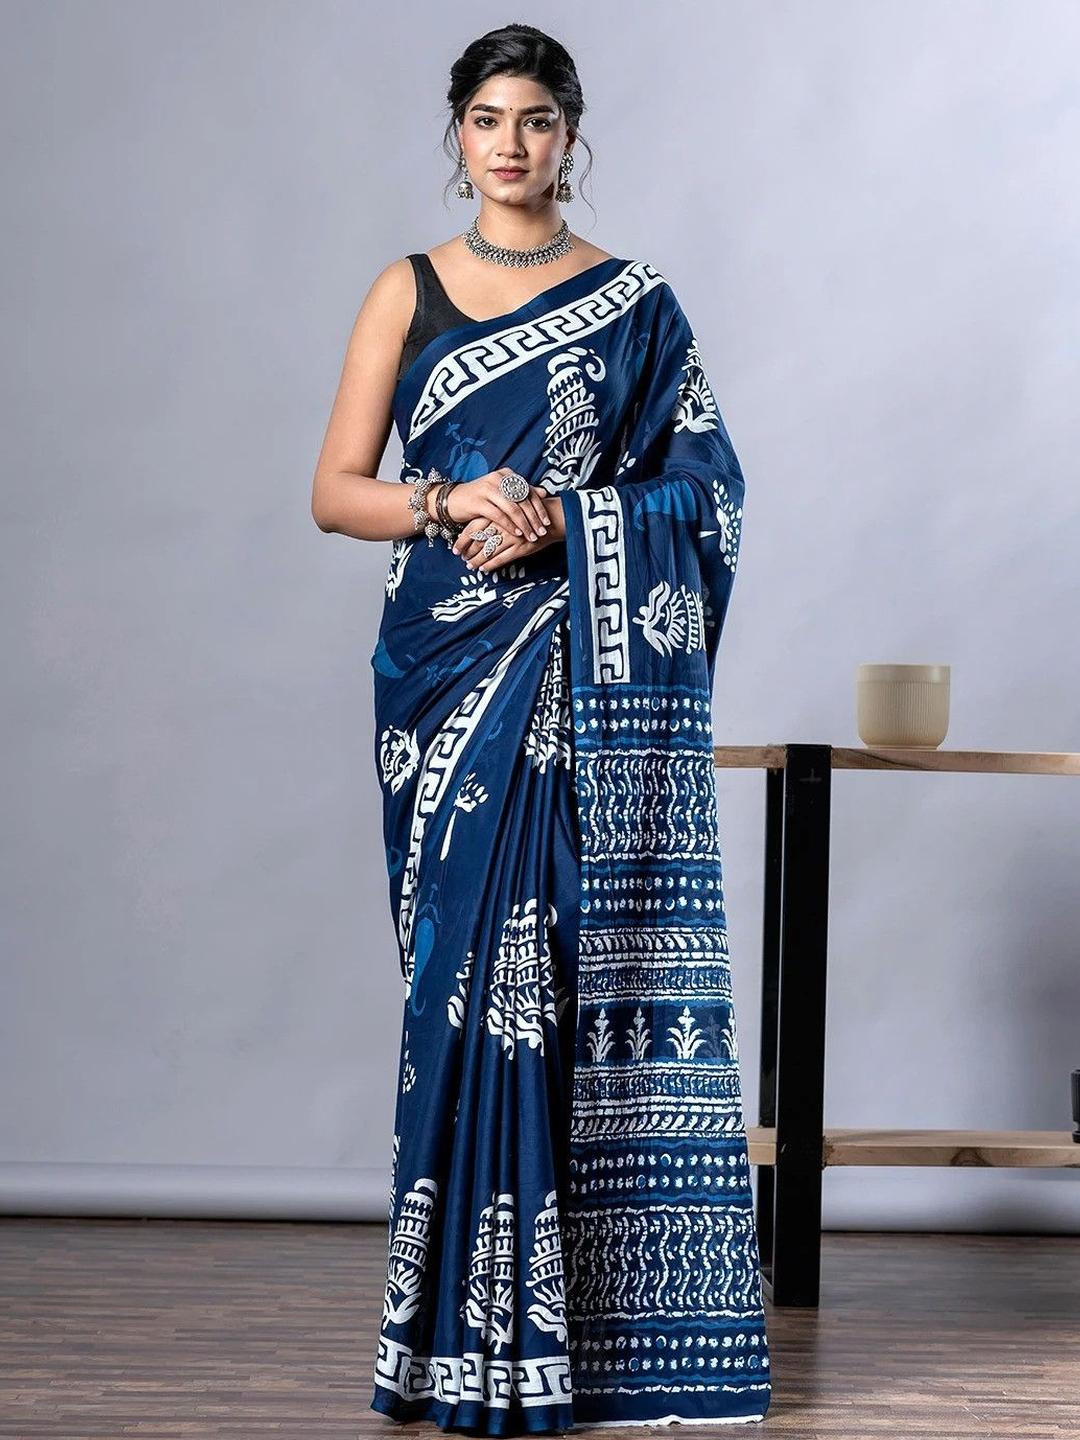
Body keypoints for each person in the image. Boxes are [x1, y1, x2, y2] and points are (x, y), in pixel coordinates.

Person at [311, 22, 771, 1436]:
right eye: (488, 119)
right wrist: (449, 501)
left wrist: (568, 521)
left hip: (578, 674)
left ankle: (588, 1346)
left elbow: (709, 491)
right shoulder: (406, 289)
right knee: (458, 995)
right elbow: (336, 491)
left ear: (573, 136)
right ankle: (445, 1343)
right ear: (457, 136)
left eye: (538, 120)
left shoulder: (638, 303)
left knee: (566, 980)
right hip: (445, 679)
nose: (511, 144)